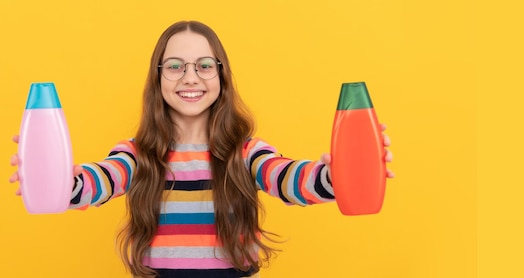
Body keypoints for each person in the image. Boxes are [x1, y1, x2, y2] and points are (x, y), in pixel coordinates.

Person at [8, 20, 393, 278]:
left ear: (221, 76)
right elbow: (96, 181)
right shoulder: (137, 154)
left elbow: (291, 179)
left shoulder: (246, 152)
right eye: (174, 66)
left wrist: (339, 173)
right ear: (157, 77)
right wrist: (53, 177)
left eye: (204, 65)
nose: (190, 77)